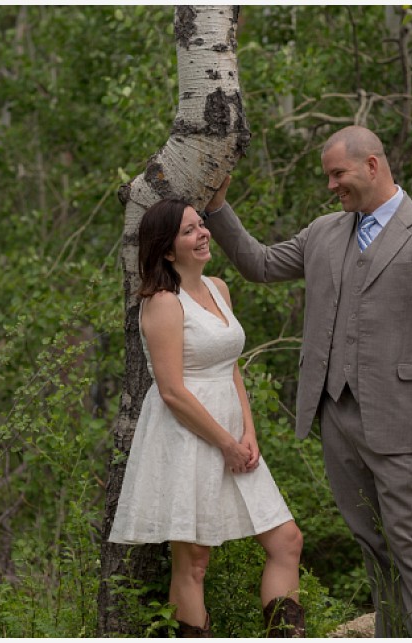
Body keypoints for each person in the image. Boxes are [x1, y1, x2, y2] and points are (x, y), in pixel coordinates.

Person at [201, 125, 412, 638]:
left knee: (411, 542)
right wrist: (217, 207)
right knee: (372, 543)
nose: (331, 186)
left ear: (372, 165)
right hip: (335, 415)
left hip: (405, 421)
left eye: (337, 174)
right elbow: (259, 264)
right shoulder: (324, 232)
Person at [108, 198, 306, 638]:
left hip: (233, 434)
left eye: (202, 225)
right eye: (189, 231)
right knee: (194, 562)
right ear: (165, 248)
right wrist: (225, 443)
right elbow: (172, 391)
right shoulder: (162, 302)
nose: (203, 234)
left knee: (287, 540)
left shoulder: (219, 288)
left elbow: (231, 366)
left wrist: (247, 433)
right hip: (187, 435)